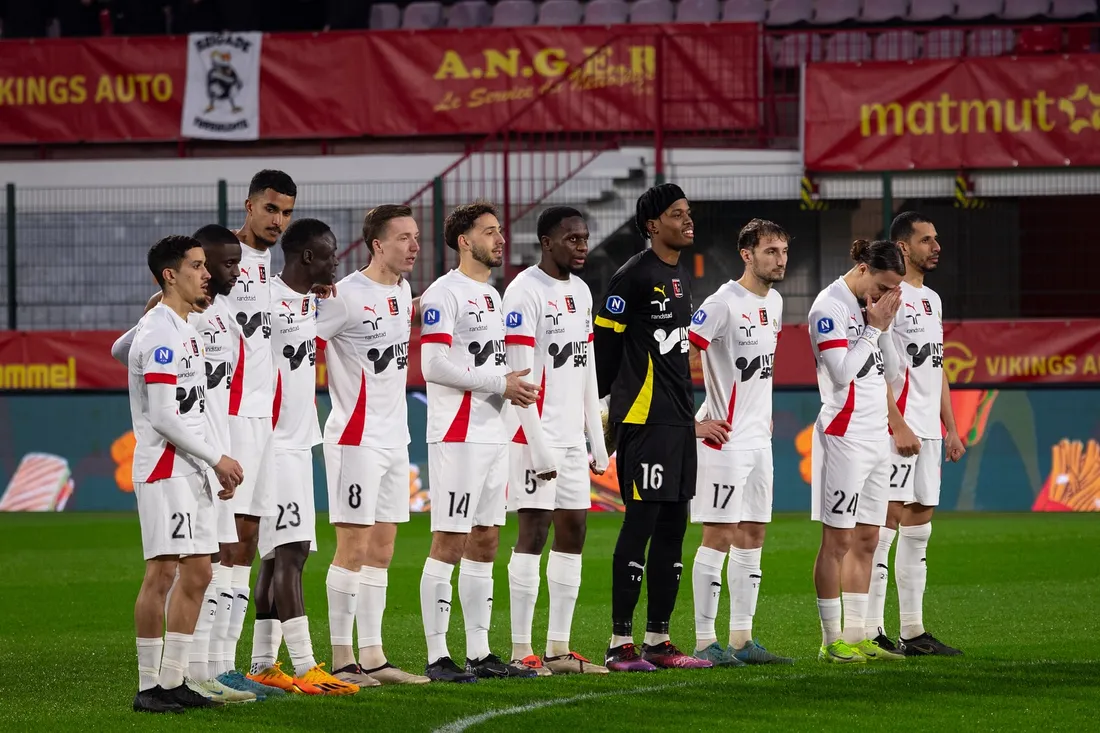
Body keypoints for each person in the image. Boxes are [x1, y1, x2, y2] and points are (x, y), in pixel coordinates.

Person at [111, 226, 261, 703]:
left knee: (198, 574)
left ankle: (174, 681)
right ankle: (147, 686)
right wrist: (218, 459)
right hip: (165, 469)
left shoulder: (184, 324)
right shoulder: (162, 332)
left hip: (190, 469)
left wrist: (209, 463)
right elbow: (162, 415)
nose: (206, 274)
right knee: (162, 575)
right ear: (169, 276)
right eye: (196, 266)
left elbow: (119, 351)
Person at [593, 183, 716, 672]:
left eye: (689, 212)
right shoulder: (632, 277)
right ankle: (619, 644)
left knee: (673, 528)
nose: (687, 220)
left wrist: (691, 420)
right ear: (651, 224)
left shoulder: (679, 276)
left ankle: (658, 641)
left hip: (677, 420)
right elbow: (604, 353)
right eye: (676, 214)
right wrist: (603, 415)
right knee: (640, 524)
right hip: (643, 420)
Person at [417, 201, 541, 682]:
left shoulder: (492, 295)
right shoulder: (443, 294)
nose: (500, 239)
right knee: (449, 539)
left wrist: (507, 385)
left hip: (493, 433)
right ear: (464, 240)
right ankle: (436, 656)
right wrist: (498, 383)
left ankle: (480, 652)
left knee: (486, 539)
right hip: (457, 433)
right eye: (490, 232)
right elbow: (432, 366)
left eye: (500, 231)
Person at [318, 205, 432, 687]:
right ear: (377, 244)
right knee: (353, 547)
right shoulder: (343, 296)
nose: (414, 246)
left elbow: (414, 309)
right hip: (355, 439)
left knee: (382, 551)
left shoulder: (403, 291)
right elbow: (299, 342)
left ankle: (374, 656)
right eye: (404, 237)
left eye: (417, 237)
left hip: (393, 438)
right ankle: (342, 659)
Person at [245, 219, 359, 695]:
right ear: (307, 256)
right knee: (291, 553)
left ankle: (262, 663)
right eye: (330, 252)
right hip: (273, 446)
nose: (338, 259)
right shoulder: (263, 299)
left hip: (295, 442)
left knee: (275, 559)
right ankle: (309, 665)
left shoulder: (310, 303)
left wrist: (320, 295)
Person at [502, 207, 611, 676]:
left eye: (585, 237)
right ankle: (521, 650)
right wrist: (540, 445)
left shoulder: (582, 291)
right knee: (533, 533)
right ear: (547, 242)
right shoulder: (524, 292)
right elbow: (521, 378)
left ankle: (559, 649)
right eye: (572, 239)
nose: (582, 245)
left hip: (570, 440)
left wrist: (596, 439)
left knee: (574, 532)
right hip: (534, 437)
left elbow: (586, 369)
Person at [687, 219, 794, 666]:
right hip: (723, 440)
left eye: (784, 250)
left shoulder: (776, 302)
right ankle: (703, 641)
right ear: (747, 254)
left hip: (758, 441)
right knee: (719, 534)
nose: (780, 259)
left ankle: (741, 640)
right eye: (771, 250)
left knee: (752, 534)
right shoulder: (721, 304)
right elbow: (678, 357)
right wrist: (690, 422)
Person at [864, 212, 965, 657]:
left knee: (919, 528)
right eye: (927, 240)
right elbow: (877, 367)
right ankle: (871, 630)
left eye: (936, 238)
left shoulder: (934, 299)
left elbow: (936, 367)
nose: (936, 245)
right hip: (898, 429)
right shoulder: (889, 295)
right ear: (903, 248)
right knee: (884, 529)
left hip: (928, 431)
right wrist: (897, 423)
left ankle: (913, 630)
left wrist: (952, 427)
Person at [808, 239, 908, 664]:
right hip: (843, 436)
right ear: (864, 269)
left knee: (869, 537)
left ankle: (858, 632)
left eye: (894, 290)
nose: (886, 298)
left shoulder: (872, 311)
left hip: (875, 436)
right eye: (883, 287)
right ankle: (831, 640)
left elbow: (884, 371)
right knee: (838, 540)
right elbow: (842, 371)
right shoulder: (827, 307)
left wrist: (881, 329)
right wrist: (874, 328)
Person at [222, 170, 296, 681]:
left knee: (248, 541)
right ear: (249, 205)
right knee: (220, 545)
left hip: (265, 421)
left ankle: (228, 666)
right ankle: (200, 663)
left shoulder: (272, 265)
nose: (279, 221)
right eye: (271, 209)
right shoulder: (221, 258)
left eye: (287, 212)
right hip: (225, 419)